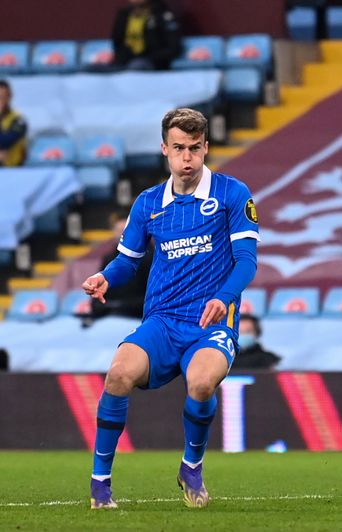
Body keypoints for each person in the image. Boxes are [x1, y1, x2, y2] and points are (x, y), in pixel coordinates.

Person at [81, 108, 259, 509]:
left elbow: (246, 260)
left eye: (195, 148)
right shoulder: (148, 204)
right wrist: (106, 277)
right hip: (162, 320)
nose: (187, 158)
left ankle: (191, 467)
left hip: (210, 321)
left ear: (206, 147)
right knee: (118, 373)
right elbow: (128, 259)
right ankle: (100, 483)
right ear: (165, 149)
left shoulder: (232, 194)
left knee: (200, 382)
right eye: (179, 148)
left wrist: (223, 297)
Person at [86, 212, 153, 323]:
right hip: (110, 317)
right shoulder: (108, 259)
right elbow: (97, 296)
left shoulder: (150, 258)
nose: (122, 234)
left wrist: (120, 306)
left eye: (125, 230)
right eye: (118, 231)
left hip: (138, 317)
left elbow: (151, 297)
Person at [111, 0, 182, 71]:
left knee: (136, 66)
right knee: (103, 67)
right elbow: (117, 43)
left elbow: (174, 48)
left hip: (153, 63)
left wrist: (147, 56)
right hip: (126, 60)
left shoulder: (163, 14)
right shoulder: (124, 14)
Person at [0, 80, 27, 167]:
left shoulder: (18, 120)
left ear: (10, 97)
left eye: (4, 96)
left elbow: (6, 141)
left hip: (13, 170)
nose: (1, 100)